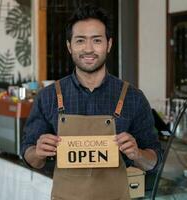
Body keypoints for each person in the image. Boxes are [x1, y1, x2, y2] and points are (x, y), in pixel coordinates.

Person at [22, 4, 161, 200]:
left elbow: (154, 162)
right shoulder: (48, 97)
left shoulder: (133, 97)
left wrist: (137, 153)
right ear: (69, 46)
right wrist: (38, 152)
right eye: (80, 40)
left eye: (97, 40)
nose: (88, 49)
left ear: (109, 44)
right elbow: (30, 157)